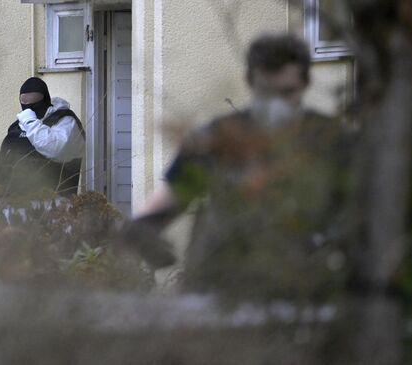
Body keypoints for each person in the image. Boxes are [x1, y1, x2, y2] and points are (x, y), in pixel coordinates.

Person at [122, 34, 357, 297]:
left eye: (287, 92)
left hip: (309, 288)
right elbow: (169, 200)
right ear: (251, 83)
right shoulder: (219, 139)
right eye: (266, 92)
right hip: (224, 288)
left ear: (304, 85)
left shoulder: (332, 142)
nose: (276, 105)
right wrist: (142, 231)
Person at [0, 77, 85, 215]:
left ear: (45, 100)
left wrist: (29, 120)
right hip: (13, 210)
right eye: (24, 103)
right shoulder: (18, 126)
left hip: (54, 210)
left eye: (34, 103)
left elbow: (54, 149)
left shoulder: (66, 123)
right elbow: (3, 164)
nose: (28, 108)